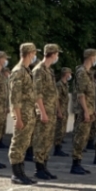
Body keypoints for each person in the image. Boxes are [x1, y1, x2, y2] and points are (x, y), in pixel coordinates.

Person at [8, 43, 39, 184]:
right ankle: (16, 174)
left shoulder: (27, 71)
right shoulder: (18, 72)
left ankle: (21, 172)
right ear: (29, 53)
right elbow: (15, 98)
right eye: (34, 53)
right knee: (18, 143)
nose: (34, 56)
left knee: (24, 143)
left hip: (29, 113)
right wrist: (17, 118)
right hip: (23, 115)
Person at [31, 43, 60, 179]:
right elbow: (37, 94)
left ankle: (45, 166)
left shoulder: (49, 71)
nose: (57, 56)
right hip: (43, 111)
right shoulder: (38, 70)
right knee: (40, 139)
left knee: (48, 140)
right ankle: (39, 168)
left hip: (51, 111)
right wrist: (42, 112)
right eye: (57, 54)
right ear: (52, 54)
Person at [70, 50, 96, 175]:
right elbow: (81, 95)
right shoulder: (81, 73)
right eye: (95, 57)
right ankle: (75, 164)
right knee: (79, 137)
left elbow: (90, 95)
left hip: (89, 109)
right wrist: (86, 111)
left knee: (84, 137)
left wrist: (92, 110)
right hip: (83, 111)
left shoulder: (88, 73)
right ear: (91, 57)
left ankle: (79, 163)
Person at [54, 66, 71, 158]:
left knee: (63, 130)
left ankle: (59, 147)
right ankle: (57, 149)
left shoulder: (65, 84)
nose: (70, 75)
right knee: (59, 130)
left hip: (65, 110)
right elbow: (57, 100)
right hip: (60, 110)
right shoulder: (59, 85)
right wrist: (59, 111)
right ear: (65, 74)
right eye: (69, 73)